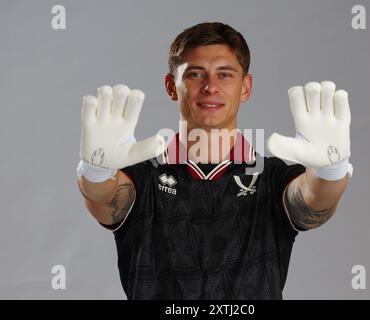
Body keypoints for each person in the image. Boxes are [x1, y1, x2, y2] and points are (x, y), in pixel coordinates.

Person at [76, 22, 353, 299]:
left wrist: (331, 170)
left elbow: (317, 201)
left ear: (245, 88)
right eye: (196, 74)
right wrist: (97, 171)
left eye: (225, 74)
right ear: (172, 87)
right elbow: (103, 199)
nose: (211, 87)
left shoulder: (272, 177)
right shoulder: (142, 177)